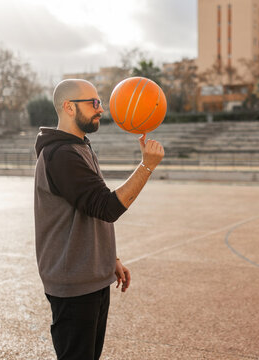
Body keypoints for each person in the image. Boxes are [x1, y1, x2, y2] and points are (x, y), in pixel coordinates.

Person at [34, 79, 164, 359]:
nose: (101, 109)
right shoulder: (61, 155)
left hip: (90, 277)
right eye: (93, 103)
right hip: (73, 283)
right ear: (69, 107)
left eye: (100, 102)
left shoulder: (80, 147)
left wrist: (109, 258)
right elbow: (107, 207)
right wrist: (147, 166)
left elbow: (90, 210)